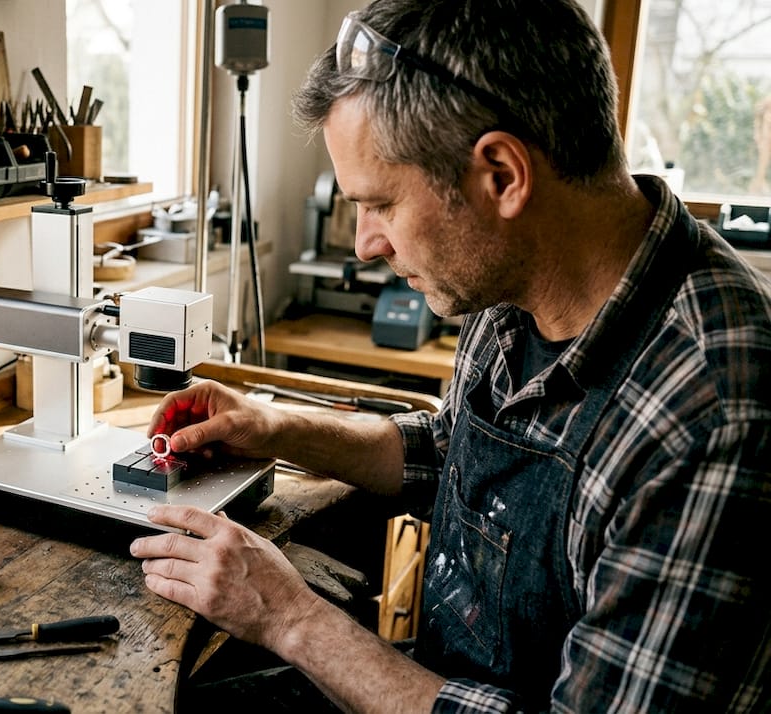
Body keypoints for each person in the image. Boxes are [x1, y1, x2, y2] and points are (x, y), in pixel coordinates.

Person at [129, 0, 771, 711]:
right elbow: (452, 449)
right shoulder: (516, 275)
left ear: (501, 175)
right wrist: (276, 426)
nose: (366, 243)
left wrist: (291, 619)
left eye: (380, 205)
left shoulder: (713, 413)